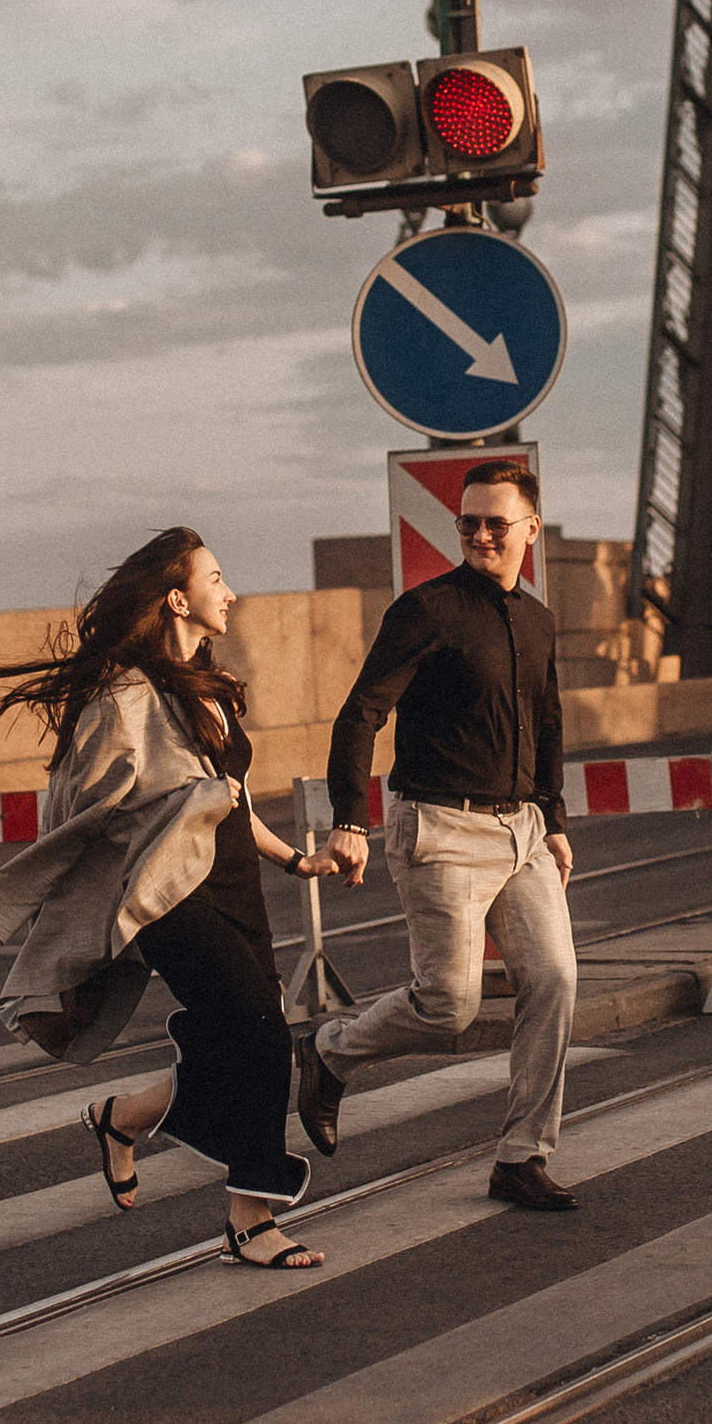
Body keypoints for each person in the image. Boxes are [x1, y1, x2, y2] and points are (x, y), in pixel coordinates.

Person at [0, 525, 344, 1271]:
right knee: (259, 1031)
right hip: (174, 891)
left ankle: (123, 1118)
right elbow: (80, 804)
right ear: (178, 598)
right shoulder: (125, 694)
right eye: (216, 578)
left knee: (242, 1034)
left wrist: (293, 859)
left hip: (230, 877)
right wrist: (97, 872)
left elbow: (224, 797)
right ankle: (251, 1218)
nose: (229, 592)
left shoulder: (204, 682)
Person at [297, 456, 579, 1210]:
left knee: (553, 980)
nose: (481, 535)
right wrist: (349, 818)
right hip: (440, 829)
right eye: (469, 523)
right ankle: (328, 1053)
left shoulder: (538, 618)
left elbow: (547, 724)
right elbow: (360, 713)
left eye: (496, 523)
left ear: (528, 530)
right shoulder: (427, 611)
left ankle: (522, 1156)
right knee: (447, 1005)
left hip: (521, 835)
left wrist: (552, 819)